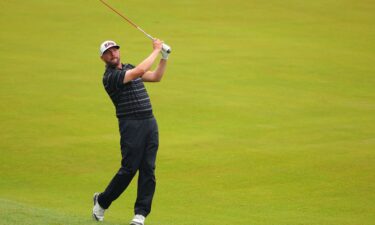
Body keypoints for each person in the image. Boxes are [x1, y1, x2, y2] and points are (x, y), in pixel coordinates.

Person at [92, 39, 169, 225]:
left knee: (148, 169)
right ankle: (102, 201)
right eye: (108, 52)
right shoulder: (110, 77)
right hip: (131, 125)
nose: (113, 54)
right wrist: (156, 50)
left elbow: (155, 77)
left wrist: (164, 57)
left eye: (115, 50)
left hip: (149, 122)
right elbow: (139, 72)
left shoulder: (128, 68)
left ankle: (140, 215)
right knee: (129, 169)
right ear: (102, 58)